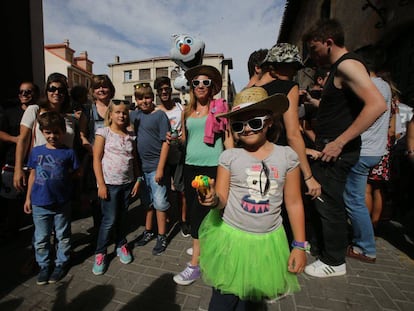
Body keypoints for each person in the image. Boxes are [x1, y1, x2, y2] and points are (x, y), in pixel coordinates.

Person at [198, 86, 307, 309]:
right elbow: (222, 198)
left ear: (269, 121)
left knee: (251, 303)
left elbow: (294, 203)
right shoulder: (229, 157)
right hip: (231, 240)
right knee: (222, 301)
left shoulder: (287, 156)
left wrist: (299, 245)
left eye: (254, 122)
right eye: (238, 125)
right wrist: (212, 200)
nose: (246, 129)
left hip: (268, 243)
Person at [302, 19, 387, 277]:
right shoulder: (339, 68)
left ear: (328, 42)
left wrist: (340, 142)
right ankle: (323, 249)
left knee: (330, 203)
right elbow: (343, 108)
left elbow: (377, 104)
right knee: (323, 201)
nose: (312, 57)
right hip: (328, 148)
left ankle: (335, 261)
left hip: (336, 150)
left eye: (314, 49)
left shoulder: (348, 64)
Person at [255, 43, 322, 246]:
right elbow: (293, 134)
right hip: (281, 155)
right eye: (293, 67)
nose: (295, 72)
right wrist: (308, 176)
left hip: (258, 154)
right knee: (286, 205)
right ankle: (291, 249)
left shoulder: (255, 90)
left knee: (265, 204)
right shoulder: (289, 88)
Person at [173, 65, 229, 286]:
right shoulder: (186, 111)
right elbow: (186, 140)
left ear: (212, 86)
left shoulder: (220, 108)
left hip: (211, 167)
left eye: (206, 82)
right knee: (196, 210)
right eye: (196, 83)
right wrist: (174, 140)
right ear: (192, 87)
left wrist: (231, 162)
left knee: (205, 212)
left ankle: (195, 265)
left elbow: (228, 138)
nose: (201, 86)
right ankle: (201, 246)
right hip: (190, 166)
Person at [343, 46, 392, 264]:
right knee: (360, 197)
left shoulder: (371, 87)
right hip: (375, 150)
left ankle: (365, 247)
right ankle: (364, 241)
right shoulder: (385, 86)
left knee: (354, 200)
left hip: (364, 150)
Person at [24, 111, 80, 285]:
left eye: (56, 132)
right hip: (40, 202)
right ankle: (44, 265)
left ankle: (61, 263)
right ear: (42, 132)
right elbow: (32, 175)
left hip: (62, 203)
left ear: (63, 131)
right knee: (41, 237)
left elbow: (75, 173)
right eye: (48, 132)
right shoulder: (36, 151)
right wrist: (28, 198)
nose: (52, 136)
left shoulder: (69, 153)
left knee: (63, 235)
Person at [92, 100, 140, 275]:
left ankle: (121, 244)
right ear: (110, 114)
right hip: (109, 185)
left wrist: (138, 179)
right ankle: (100, 252)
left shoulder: (130, 135)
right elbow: (96, 159)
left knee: (122, 217)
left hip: (127, 184)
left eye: (124, 113)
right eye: (118, 112)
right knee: (109, 220)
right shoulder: (103, 133)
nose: (121, 115)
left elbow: (134, 159)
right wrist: (101, 184)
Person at [14, 73, 74, 193]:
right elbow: (23, 139)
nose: (56, 92)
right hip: (39, 173)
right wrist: (18, 168)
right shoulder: (35, 110)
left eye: (61, 90)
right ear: (46, 91)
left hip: (63, 174)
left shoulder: (71, 119)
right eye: (52, 89)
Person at [131, 83, 171, 256]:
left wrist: (161, 168)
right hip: (142, 168)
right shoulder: (135, 116)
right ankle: (148, 231)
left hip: (156, 167)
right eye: (140, 98)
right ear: (136, 100)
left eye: (147, 97)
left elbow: (166, 143)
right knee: (147, 203)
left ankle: (162, 235)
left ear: (152, 97)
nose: (144, 101)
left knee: (160, 203)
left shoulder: (160, 116)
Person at [0, 81, 39, 240]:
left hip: (33, 163)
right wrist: (15, 139)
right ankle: (13, 232)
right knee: (12, 203)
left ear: (35, 94)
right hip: (13, 162)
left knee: (33, 201)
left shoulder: (39, 111)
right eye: (22, 92)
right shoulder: (10, 113)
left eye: (28, 92)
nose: (24, 95)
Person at [79, 74, 116, 232]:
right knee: (96, 196)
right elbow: (81, 135)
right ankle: (99, 227)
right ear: (93, 91)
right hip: (95, 160)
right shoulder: (88, 110)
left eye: (104, 86)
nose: (101, 89)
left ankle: (112, 227)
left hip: (113, 160)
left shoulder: (116, 108)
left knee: (113, 195)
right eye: (97, 87)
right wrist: (91, 148)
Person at [154, 76, 189, 237]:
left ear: (170, 89)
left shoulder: (180, 108)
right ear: (158, 92)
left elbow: (186, 128)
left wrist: (183, 139)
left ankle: (183, 221)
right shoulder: (156, 112)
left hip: (179, 151)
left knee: (181, 189)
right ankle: (166, 217)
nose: (164, 92)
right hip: (163, 154)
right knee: (164, 188)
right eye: (161, 90)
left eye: (166, 88)